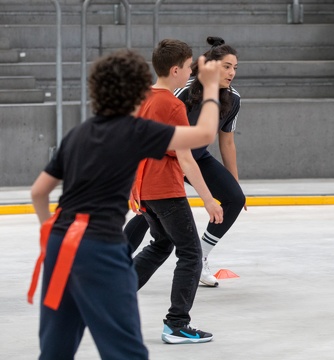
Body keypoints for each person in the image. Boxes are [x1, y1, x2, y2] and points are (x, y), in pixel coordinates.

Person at [28, 49, 222, 359]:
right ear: (136, 90)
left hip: (59, 245)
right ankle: (176, 324)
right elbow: (205, 133)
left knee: (56, 349)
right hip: (99, 247)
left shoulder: (77, 133)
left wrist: (48, 237)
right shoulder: (135, 131)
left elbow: (39, 192)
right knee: (125, 351)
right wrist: (211, 86)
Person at [124, 36, 246, 287]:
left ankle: (201, 256)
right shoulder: (181, 91)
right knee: (149, 215)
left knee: (236, 198)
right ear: (209, 66)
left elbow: (227, 142)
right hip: (167, 159)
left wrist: (233, 181)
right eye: (226, 66)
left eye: (235, 67)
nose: (232, 72)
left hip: (196, 157)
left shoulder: (233, 98)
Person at [128, 38, 221, 344]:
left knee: (161, 244)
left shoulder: (142, 98)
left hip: (146, 189)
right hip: (165, 189)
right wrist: (208, 199)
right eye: (189, 65)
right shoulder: (172, 104)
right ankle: (177, 324)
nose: (192, 72)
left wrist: (132, 187)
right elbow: (185, 157)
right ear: (176, 69)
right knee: (192, 254)